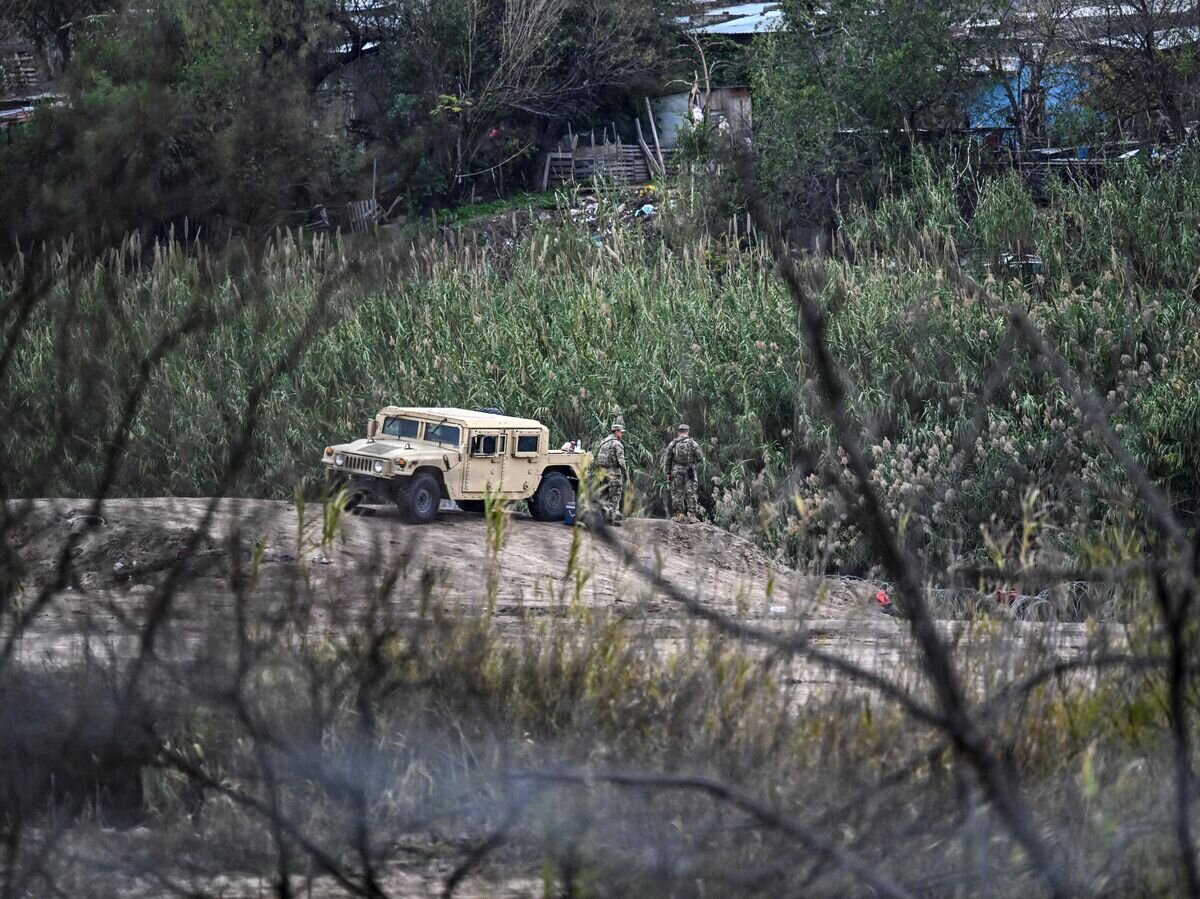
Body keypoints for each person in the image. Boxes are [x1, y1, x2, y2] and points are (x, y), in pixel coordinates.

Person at [664, 423, 703, 523]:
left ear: (678, 432)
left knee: (677, 493)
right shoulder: (693, 443)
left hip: (676, 470)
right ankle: (692, 516)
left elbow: (667, 458)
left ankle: (678, 515)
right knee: (691, 492)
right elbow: (700, 457)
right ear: (688, 432)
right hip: (690, 470)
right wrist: (693, 463)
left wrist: (668, 473)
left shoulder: (673, 444)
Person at [593, 420, 627, 525]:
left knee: (603, 496)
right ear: (616, 432)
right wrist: (625, 474)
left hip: (602, 473)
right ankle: (613, 519)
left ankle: (600, 518)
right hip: (614, 474)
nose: (622, 434)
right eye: (621, 432)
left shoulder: (603, 442)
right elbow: (621, 462)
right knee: (614, 497)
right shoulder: (617, 444)